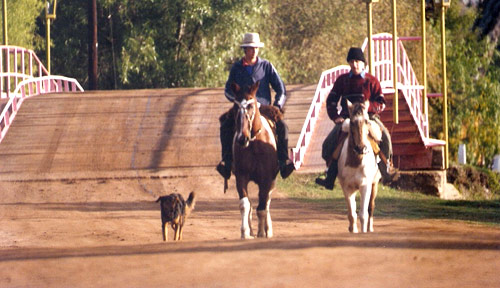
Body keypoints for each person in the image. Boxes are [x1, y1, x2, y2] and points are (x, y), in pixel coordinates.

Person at [216, 32, 295, 180]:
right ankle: (227, 163)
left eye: (256, 48)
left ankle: (283, 163)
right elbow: (227, 89)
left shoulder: (266, 66)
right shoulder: (236, 68)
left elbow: (281, 89)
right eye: (251, 48)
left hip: (263, 108)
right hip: (241, 107)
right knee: (225, 125)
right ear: (245, 49)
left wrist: (277, 105)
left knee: (283, 127)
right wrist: (238, 101)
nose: (254, 51)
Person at [315, 47, 395, 190]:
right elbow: (331, 101)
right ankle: (329, 175)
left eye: (357, 61)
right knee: (329, 142)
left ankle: (387, 169)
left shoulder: (372, 81)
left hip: (369, 118)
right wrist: (336, 117)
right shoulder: (342, 81)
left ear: (363, 63)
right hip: (348, 118)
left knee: (386, 137)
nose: (355, 64)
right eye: (351, 62)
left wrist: (369, 107)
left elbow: (381, 103)